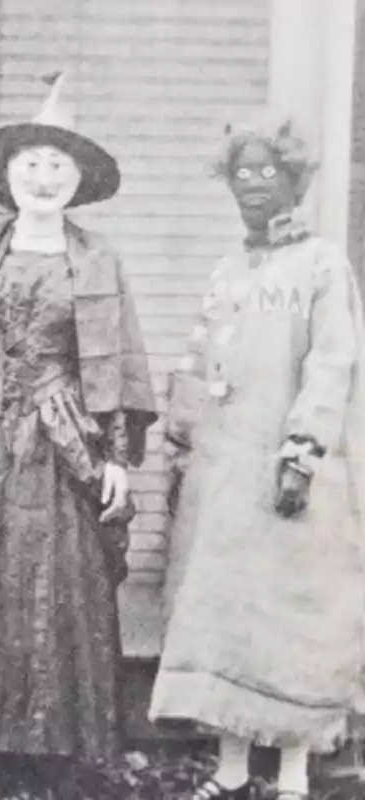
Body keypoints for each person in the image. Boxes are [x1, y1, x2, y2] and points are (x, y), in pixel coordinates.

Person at [0, 73, 157, 790]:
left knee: (61, 591)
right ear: (8, 176)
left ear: (77, 181)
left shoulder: (99, 259)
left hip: (63, 442)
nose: (42, 179)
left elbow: (119, 363)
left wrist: (114, 458)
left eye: (57, 167)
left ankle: (58, 755)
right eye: (30, 165)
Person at [149, 117, 365, 800]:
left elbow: (334, 361)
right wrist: (181, 434)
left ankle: (295, 775)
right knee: (225, 610)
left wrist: (303, 449)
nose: (252, 182)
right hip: (225, 474)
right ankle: (232, 769)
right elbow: (200, 355)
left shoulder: (323, 264)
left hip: (294, 471)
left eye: (267, 170)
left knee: (291, 616)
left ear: (293, 180)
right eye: (241, 171)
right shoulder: (229, 267)